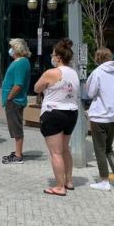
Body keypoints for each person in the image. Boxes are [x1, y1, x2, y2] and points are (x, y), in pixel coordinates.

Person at [34, 38, 80, 196]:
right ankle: (69, 181)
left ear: (59, 57)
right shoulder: (74, 73)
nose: (51, 57)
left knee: (56, 152)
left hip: (53, 112)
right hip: (71, 113)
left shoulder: (51, 72)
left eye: (53, 55)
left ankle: (59, 186)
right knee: (65, 149)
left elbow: (36, 88)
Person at [86, 47, 114, 191]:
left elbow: (90, 93)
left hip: (100, 116)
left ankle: (104, 180)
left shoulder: (97, 73)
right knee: (109, 148)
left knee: (100, 149)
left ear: (98, 58)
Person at [1, 38, 32, 164]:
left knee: (16, 128)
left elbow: (18, 84)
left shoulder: (20, 63)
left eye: (12, 47)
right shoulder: (20, 62)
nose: (10, 50)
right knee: (14, 127)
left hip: (15, 101)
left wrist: (9, 97)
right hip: (14, 100)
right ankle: (17, 152)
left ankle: (18, 155)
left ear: (17, 49)